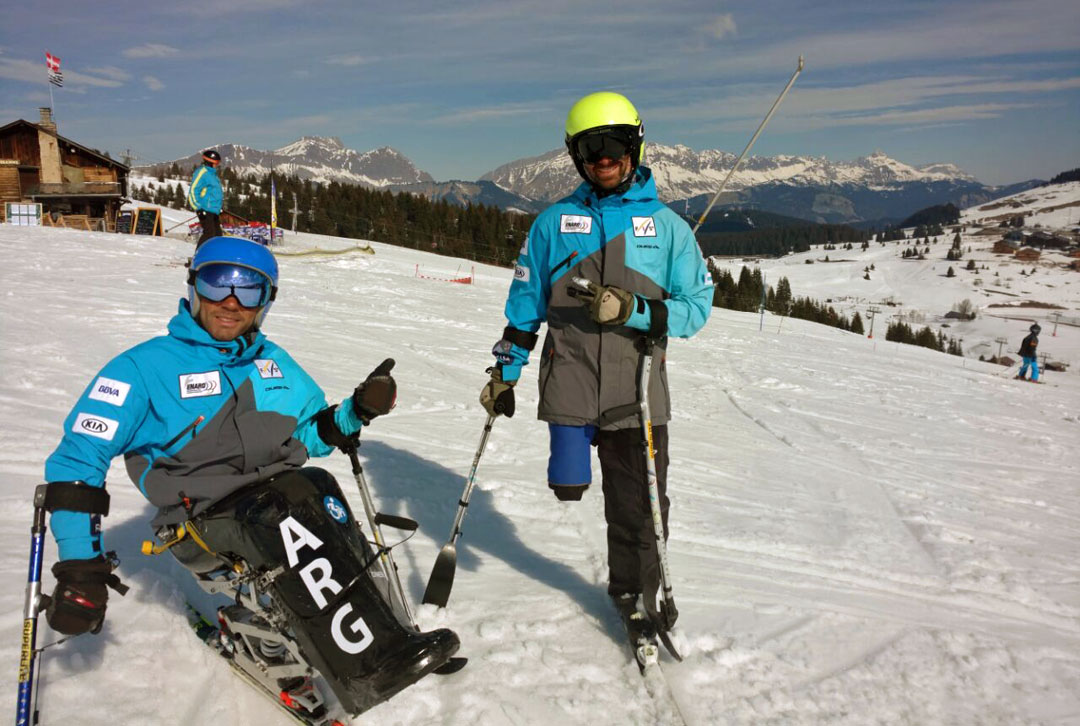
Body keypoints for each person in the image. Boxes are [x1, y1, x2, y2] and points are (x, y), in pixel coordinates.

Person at [41, 236, 458, 716]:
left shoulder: (273, 364)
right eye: (218, 283)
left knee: (322, 496)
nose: (231, 302)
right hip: (198, 519)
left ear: (267, 300)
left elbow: (312, 434)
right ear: (194, 286)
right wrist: (79, 566)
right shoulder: (142, 369)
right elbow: (77, 462)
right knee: (284, 513)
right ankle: (361, 661)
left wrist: (358, 409)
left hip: (282, 500)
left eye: (250, 290)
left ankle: (387, 634)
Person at [479, 92, 713, 633]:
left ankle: (636, 593)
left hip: (637, 393)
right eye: (589, 148)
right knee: (567, 486)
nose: (602, 157)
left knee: (640, 508)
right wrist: (504, 371)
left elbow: (695, 310)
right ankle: (619, 570)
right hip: (570, 384)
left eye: (612, 145)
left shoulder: (669, 229)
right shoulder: (554, 223)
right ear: (576, 155)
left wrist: (634, 309)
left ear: (634, 146)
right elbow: (524, 307)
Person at [188, 149, 223, 248]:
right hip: (205, 210)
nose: (217, 165)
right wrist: (198, 208)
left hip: (213, 210)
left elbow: (214, 193)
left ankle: (214, 256)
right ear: (210, 162)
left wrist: (218, 208)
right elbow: (193, 190)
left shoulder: (212, 174)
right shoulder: (202, 172)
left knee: (217, 235)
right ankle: (198, 256)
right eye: (216, 163)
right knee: (209, 234)